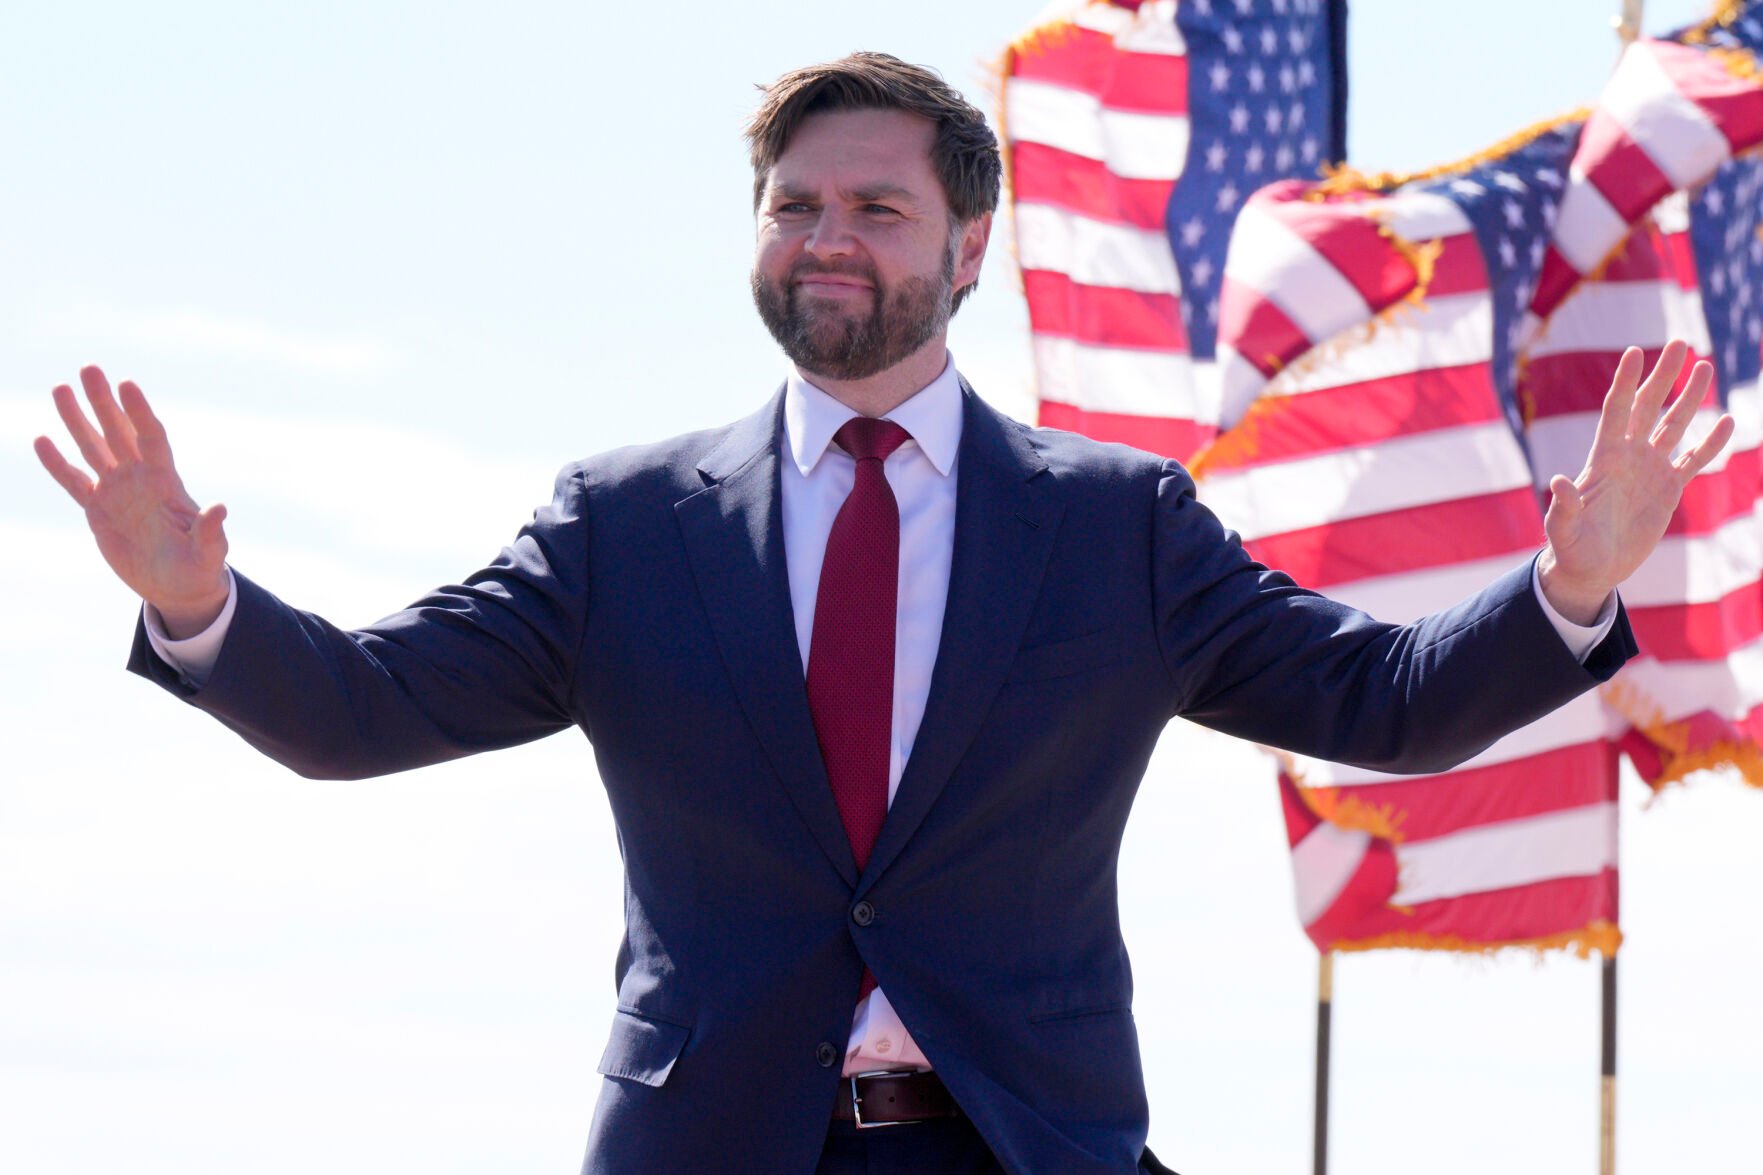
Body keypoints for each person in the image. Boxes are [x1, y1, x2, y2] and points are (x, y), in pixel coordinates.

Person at [34, 52, 1732, 1175]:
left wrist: (1570, 583)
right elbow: (360, 715)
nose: (826, 239)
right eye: (795, 206)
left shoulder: (1108, 525)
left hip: (1022, 1142)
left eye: (875, 207)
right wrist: (204, 610)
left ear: (969, 242)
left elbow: (1385, 708)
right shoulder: (623, 527)